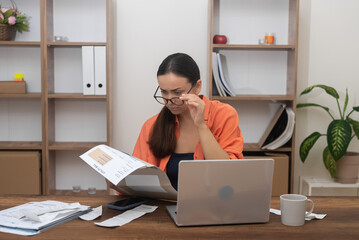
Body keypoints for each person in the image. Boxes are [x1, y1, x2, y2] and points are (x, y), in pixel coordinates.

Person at [132, 53, 244, 190]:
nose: (170, 100)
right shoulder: (152, 125)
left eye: (177, 92)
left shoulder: (224, 115)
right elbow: (139, 180)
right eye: (164, 92)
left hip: (214, 205)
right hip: (165, 207)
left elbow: (227, 174)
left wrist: (201, 125)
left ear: (197, 86)